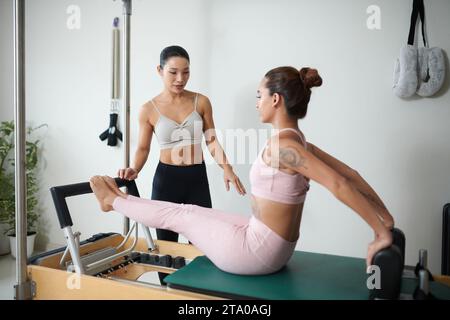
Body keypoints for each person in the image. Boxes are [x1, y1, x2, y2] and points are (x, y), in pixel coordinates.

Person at [93, 66, 394, 275]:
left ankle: (114, 201)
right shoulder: (298, 142)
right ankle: (120, 200)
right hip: (266, 242)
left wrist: (381, 233)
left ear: (275, 100)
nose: (256, 103)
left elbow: (341, 183)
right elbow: (352, 174)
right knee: (188, 210)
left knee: (180, 216)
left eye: (259, 95)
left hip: (258, 254)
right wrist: (387, 218)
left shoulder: (284, 148)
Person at [117, 45, 245, 251]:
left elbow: (211, 141)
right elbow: (143, 148)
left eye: (186, 72)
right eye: (173, 72)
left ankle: (196, 284)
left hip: (197, 179)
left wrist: (227, 168)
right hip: (166, 180)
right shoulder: (148, 109)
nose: (180, 79)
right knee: (167, 248)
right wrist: (135, 168)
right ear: (159, 71)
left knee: (202, 246)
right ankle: (168, 285)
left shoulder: (201, 102)